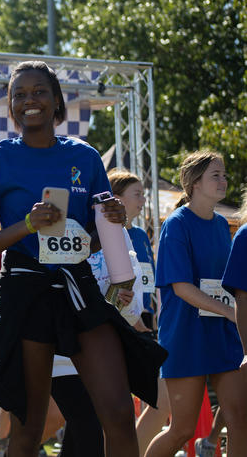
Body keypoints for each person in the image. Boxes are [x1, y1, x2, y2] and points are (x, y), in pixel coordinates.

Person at [0, 60, 166, 457]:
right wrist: (26, 225)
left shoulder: (84, 157)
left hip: (79, 287)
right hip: (25, 290)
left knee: (119, 412)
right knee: (30, 426)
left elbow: (94, 240)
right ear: (10, 105)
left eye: (38, 92)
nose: (28, 101)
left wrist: (112, 221)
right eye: (19, 94)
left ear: (56, 101)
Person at [146, 151, 247, 456]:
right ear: (193, 182)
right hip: (186, 336)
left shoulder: (222, 225)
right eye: (215, 175)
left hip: (223, 336)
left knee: (241, 418)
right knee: (182, 431)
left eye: (225, 174)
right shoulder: (176, 225)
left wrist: (233, 314)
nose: (224, 180)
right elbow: (181, 288)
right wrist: (232, 312)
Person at [107, 168, 171, 456]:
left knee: (160, 403)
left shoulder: (141, 236)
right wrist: (131, 320)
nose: (144, 200)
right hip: (118, 327)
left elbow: (148, 279)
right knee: (116, 408)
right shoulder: (106, 234)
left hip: (146, 325)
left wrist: (150, 317)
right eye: (137, 194)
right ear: (116, 198)